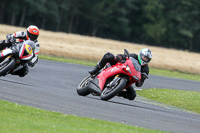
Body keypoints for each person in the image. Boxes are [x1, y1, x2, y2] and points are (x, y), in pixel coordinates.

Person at [88, 48, 153, 100]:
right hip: (121, 68)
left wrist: (140, 80)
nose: (145, 59)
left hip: (128, 78)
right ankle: (95, 70)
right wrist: (120, 57)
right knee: (109, 56)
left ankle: (117, 91)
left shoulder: (146, 69)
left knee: (132, 95)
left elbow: (140, 83)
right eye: (144, 57)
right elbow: (124, 56)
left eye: (147, 59)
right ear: (140, 55)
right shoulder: (134, 56)